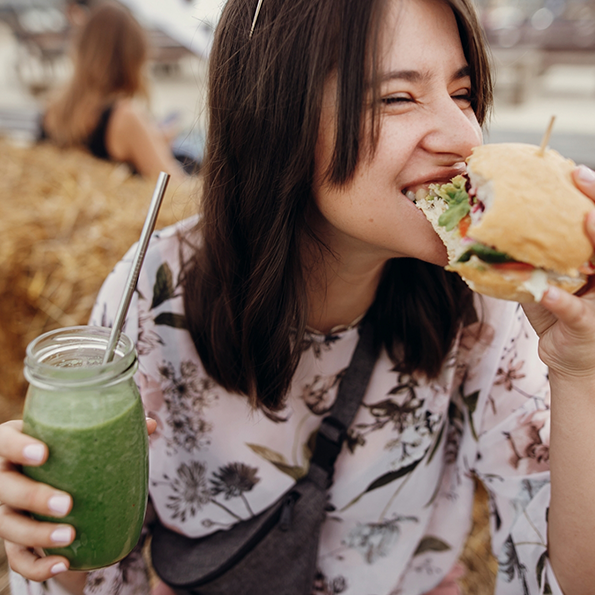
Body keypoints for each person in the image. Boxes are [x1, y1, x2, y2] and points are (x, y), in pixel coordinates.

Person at [3, 0, 595, 593]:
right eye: (397, 97)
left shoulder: (488, 297)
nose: (466, 135)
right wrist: (48, 529)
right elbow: (98, 572)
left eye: (463, 93)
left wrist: (580, 367)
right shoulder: (156, 293)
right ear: (275, 116)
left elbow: (564, 573)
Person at [40, 1, 190, 183]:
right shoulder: (125, 117)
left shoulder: (52, 110)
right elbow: (177, 188)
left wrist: (151, 138)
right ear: (132, 59)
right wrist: (157, 145)